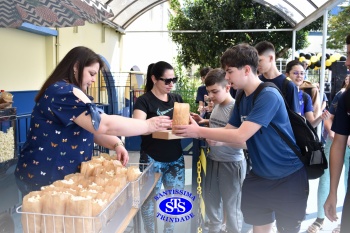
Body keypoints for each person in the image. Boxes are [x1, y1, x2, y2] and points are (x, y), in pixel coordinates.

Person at [173, 44, 309, 233]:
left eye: (229, 71)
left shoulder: (268, 95)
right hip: (260, 177)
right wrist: (212, 137)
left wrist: (198, 132)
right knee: (258, 228)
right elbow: (230, 134)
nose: (226, 77)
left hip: (289, 177)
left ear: (246, 69)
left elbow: (240, 134)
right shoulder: (242, 96)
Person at [14, 46, 171, 195]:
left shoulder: (69, 92)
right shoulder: (63, 92)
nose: (94, 80)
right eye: (91, 73)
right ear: (76, 66)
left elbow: (92, 128)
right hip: (44, 178)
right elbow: (104, 124)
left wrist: (116, 144)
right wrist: (148, 125)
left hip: (59, 176)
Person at [191, 68, 246, 233]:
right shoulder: (217, 105)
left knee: (232, 209)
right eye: (208, 92)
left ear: (228, 87)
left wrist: (220, 142)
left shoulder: (235, 108)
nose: (210, 96)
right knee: (212, 206)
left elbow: (243, 140)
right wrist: (204, 121)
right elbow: (220, 125)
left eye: (215, 91)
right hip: (213, 161)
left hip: (231, 164)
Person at [133, 61, 185, 233]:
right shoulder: (144, 101)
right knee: (149, 202)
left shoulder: (177, 99)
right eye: (167, 80)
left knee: (175, 201)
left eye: (173, 80)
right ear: (154, 79)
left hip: (175, 158)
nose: (171, 84)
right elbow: (137, 126)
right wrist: (151, 124)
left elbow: (182, 125)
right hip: (151, 158)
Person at [308, 74, 350, 233]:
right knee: (326, 179)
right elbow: (329, 118)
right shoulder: (342, 96)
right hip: (336, 143)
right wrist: (336, 135)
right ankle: (320, 218)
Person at [324, 32, 350, 231]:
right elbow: (339, 143)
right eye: (347, 55)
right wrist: (332, 192)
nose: (347, 62)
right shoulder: (346, 97)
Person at [255, 41, 300, 113]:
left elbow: (296, 117)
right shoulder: (256, 82)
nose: (257, 64)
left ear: (270, 58)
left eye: (260, 60)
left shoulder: (288, 85)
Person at [285, 60, 330, 128]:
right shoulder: (281, 93)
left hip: (299, 136)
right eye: (295, 73)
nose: (299, 76)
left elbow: (311, 125)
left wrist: (321, 117)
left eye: (302, 73)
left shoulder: (305, 97)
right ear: (287, 74)